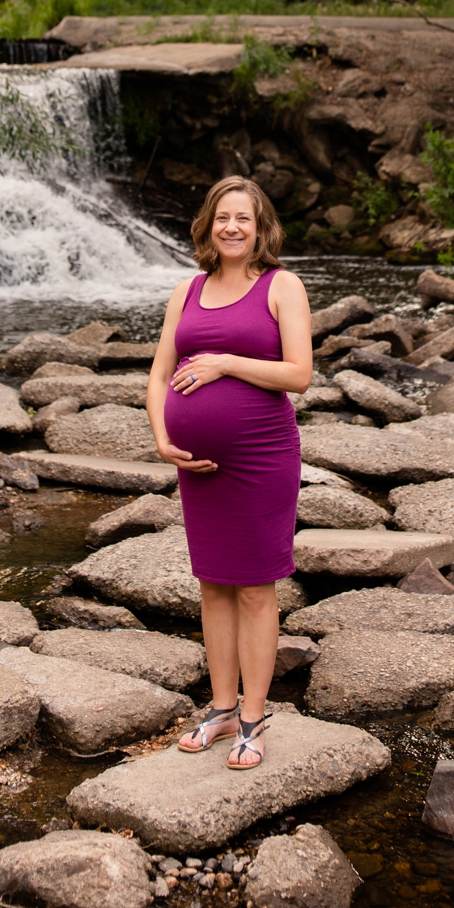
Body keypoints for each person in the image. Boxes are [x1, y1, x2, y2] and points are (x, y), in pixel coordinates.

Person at [145, 175, 312, 770]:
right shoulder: (186, 290)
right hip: (198, 464)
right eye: (222, 218)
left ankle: (253, 716)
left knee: (255, 586)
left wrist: (223, 364)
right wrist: (164, 438)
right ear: (208, 226)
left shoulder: (281, 286)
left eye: (244, 218)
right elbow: (160, 374)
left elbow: (298, 375)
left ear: (261, 228)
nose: (233, 227)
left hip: (263, 455)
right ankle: (219, 709)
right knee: (213, 583)